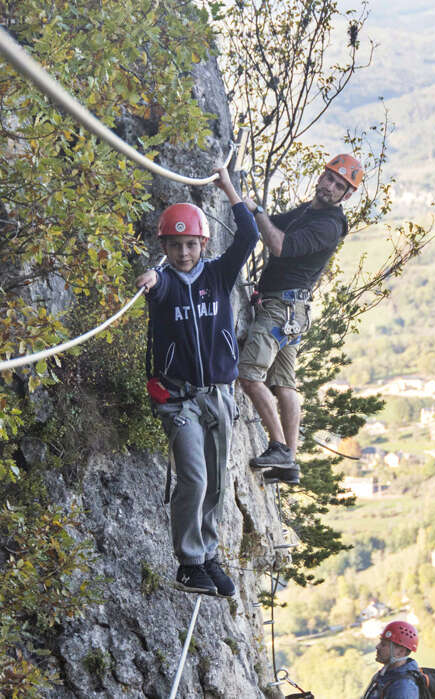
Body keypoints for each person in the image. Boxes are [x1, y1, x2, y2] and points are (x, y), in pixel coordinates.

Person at [136, 167, 259, 597]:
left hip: (219, 396)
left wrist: (227, 186)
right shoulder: (165, 281)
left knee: (218, 480)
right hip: (179, 400)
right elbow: (157, 283)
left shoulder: (218, 276)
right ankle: (188, 563)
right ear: (165, 246)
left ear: (203, 244)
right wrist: (152, 276)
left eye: (191, 244)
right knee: (194, 477)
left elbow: (248, 236)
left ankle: (207, 554)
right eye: (175, 244)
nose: (184, 252)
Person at [238, 154, 364, 485]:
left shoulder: (327, 225)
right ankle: (289, 463)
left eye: (340, 185)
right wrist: (242, 205)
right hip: (292, 311)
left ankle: (279, 446)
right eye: (330, 178)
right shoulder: (310, 212)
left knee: (249, 376)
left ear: (346, 196)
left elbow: (278, 244)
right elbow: (273, 224)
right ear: (321, 177)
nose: (331, 187)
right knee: (283, 384)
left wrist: (256, 209)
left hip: (282, 309)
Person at [362, 621, 421, 699]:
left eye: (383, 644)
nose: (377, 646)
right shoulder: (384, 675)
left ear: (401, 651)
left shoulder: (403, 688)